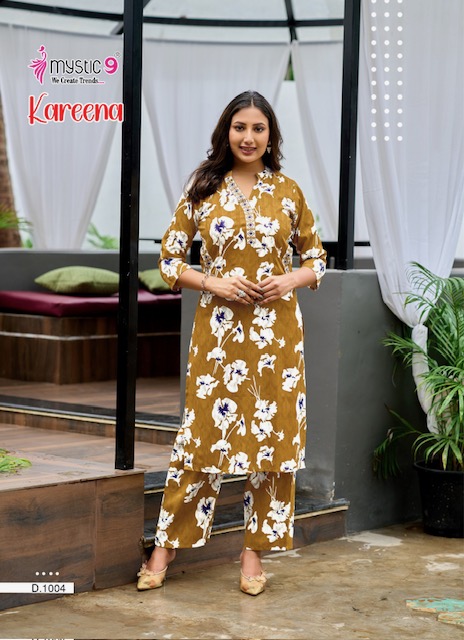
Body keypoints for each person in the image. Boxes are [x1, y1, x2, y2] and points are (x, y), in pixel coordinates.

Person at [137, 90, 327, 596]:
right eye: (240, 127)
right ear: (226, 131)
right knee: (202, 437)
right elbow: (169, 261)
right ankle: (166, 546)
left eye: (258, 128)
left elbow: (316, 257)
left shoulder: (288, 191)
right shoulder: (203, 188)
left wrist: (290, 279)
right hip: (218, 334)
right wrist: (213, 282)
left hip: (278, 337)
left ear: (271, 135)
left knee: (272, 440)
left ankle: (253, 553)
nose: (248, 137)